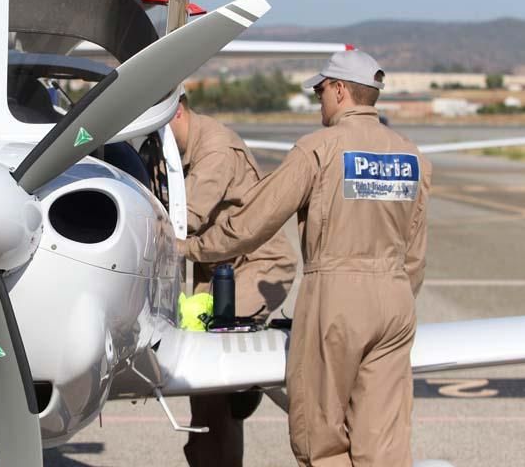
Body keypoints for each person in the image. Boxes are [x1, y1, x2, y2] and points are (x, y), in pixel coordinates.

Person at [179, 51, 431, 466]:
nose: (319, 101)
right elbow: (416, 251)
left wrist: (192, 249)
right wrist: (396, 295)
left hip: (335, 297)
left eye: (320, 92)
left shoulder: (318, 149)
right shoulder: (411, 155)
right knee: (383, 442)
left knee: (321, 435)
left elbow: (252, 224)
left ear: (339, 90)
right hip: (396, 300)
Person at [170, 94, 298, 467]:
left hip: (259, 266)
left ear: (176, 110)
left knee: (216, 365)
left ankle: (251, 385)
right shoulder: (171, 150)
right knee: (204, 388)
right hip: (216, 269)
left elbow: (184, 219)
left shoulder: (215, 150)